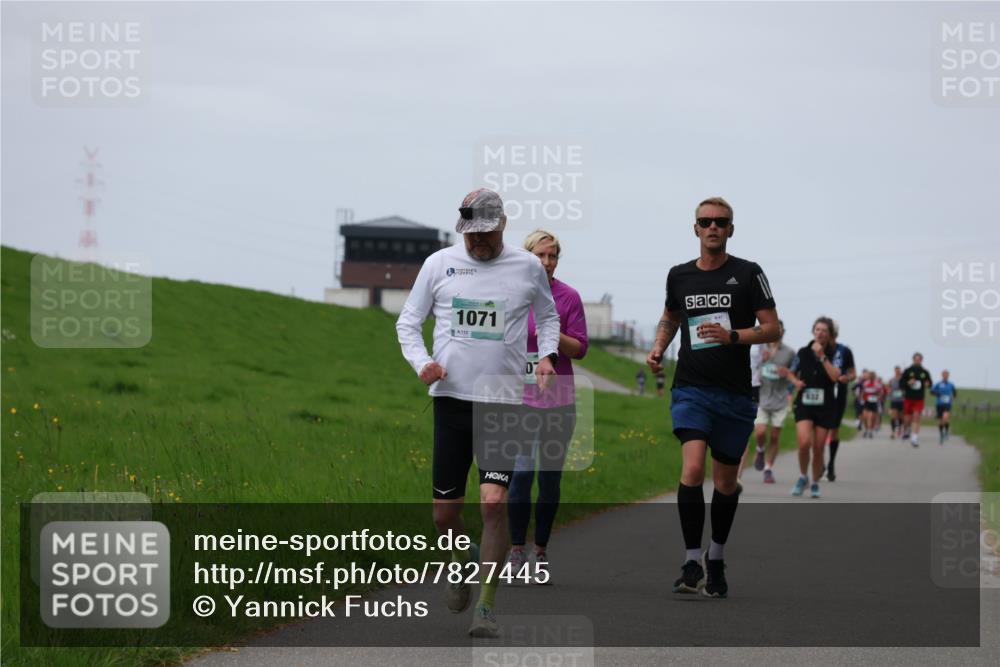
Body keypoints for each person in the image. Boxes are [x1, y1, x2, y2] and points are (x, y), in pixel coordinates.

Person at [396, 188, 560, 637]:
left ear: (502, 225)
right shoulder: (439, 263)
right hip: (450, 400)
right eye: (470, 235)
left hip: (503, 401)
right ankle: (457, 562)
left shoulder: (526, 267)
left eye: (485, 234)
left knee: (493, 503)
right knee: (444, 516)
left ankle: (486, 606)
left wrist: (546, 355)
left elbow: (548, 318)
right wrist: (422, 362)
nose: (477, 243)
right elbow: (408, 322)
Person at [646, 196, 780, 598]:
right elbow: (671, 316)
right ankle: (690, 561)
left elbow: (772, 328)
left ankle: (715, 556)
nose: (713, 228)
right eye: (705, 222)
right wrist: (657, 348)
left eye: (720, 222)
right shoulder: (680, 276)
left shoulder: (749, 273)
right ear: (696, 229)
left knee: (725, 482)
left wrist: (734, 336)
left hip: (735, 395)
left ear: (731, 229)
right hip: (691, 387)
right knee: (691, 471)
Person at [507, 229, 588, 584]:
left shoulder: (568, 297)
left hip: (558, 400)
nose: (547, 263)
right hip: (520, 399)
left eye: (553, 256)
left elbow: (581, 348)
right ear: (527, 257)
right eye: (541, 256)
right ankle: (515, 550)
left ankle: (540, 550)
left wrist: (552, 337)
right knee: (521, 475)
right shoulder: (512, 292)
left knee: (550, 480)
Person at [788, 317, 841, 499]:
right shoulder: (802, 352)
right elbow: (790, 372)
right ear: (813, 331)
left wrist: (822, 357)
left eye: (824, 330)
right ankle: (803, 477)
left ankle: (815, 481)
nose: (820, 333)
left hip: (825, 405)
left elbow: (835, 376)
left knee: (818, 448)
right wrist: (795, 381)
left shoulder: (836, 353)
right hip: (804, 403)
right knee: (804, 443)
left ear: (830, 334)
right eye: (817, 329)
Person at [747, 323, 795, 483]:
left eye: (781, 329)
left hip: (780, 398)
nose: (778, 332)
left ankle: (768, 469)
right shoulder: (761, 349)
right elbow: (752, 367)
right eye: (776, 329)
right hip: (762, 396)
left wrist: (787, 373)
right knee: (760, 432)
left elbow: (795, 374)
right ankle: (760, 449)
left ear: (783, 332)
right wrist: (762, 360)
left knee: (775, 436)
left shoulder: (789, 352)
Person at [826, 333, 856, 482]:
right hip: (820, 393)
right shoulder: (816, 349)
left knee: (834, 429)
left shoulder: (844, 350)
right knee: (818, 429)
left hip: (839, 393)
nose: (826, 335)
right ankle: (819, 462)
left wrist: (848, 378)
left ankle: (831, 464)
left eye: (829, 332)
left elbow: (853, 373)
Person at [900, 352, 933, 447]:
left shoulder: (925, 372)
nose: (917, 361)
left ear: (921, 360)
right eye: (916, 359)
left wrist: (928, 384)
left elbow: (930, 383)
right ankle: (907, 430)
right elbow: (901, 384)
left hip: (919, 398)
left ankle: (914, 437)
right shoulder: (907, 371)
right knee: (907, 419)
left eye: (919, 359)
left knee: (916, 416)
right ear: (913, 360)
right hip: (908, 398)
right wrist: (908, 382)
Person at [931, 370, 958, 445]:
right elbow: (932, 391)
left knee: (945, 417)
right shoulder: (938, 384)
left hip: (947, 404)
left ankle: (946, 432)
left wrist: (953, 397)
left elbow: (955, 393)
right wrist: (937, 394)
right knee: (940, 421)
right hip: (939, 404)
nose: (945, 376)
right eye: (944, 375)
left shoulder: (951, 384)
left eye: (947, 375)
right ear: (942, 375)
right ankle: (941, 434)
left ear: (948, 376)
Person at [860, 370, 884, 438]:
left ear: (874, 376)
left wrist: (878, 398)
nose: (871, 377)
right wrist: (862, 399)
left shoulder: (877, 383)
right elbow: (862, 391)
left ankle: (870, 431)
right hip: (866, 402)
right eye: (870, 376)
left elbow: (881, 392)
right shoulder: (865, 383)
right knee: (864, 417)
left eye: (872, 376)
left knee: (871, 417)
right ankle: (866, 429)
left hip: (874, 402)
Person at [888, 366, 905, 439]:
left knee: (901, 416)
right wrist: (889, 392)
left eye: (899, 371)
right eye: (896, 371)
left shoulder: (904, 380)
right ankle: (892, 432)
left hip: (902, 400)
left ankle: (900, 429)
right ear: (894, 371)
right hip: (894, 400)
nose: (897, 372)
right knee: (894, 416)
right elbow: (889, 388)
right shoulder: (892, 380)